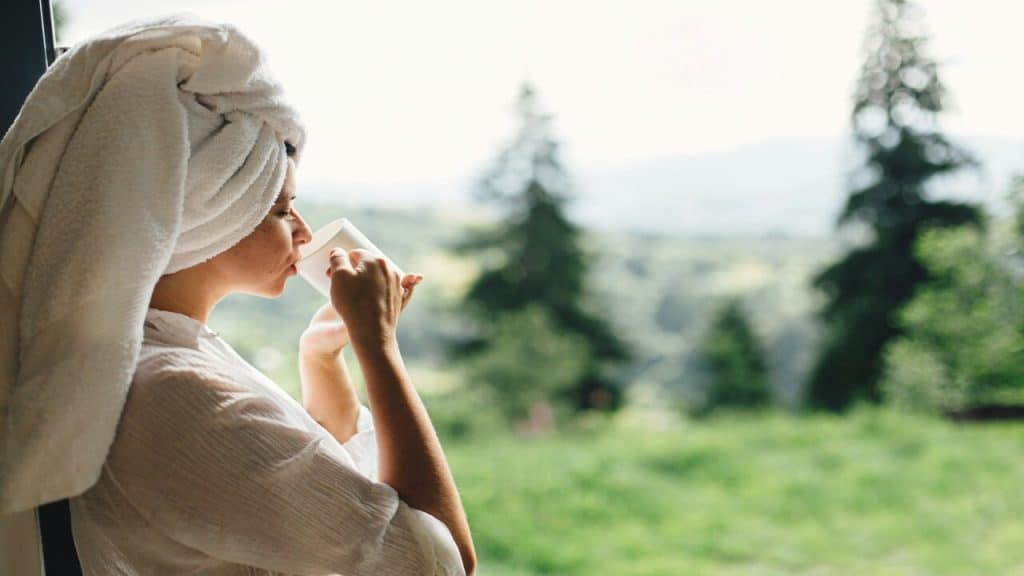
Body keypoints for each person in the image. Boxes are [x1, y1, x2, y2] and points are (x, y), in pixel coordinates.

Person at [67, 141, 477, 575]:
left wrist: (320, 358)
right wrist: (378, 347)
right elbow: (436, 562)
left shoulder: (171, 352)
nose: (303, 232)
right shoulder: (175, 391)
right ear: (206, 217)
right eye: (281, 211)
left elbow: (322, 492)